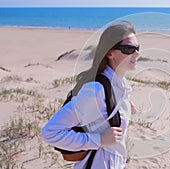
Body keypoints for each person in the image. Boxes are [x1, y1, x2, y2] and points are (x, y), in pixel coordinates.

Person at [42, 21, 139, 169]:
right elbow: (50, 132)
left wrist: (124, 106)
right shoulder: (95, 91)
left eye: (137, 48)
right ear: (110, 52)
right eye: (128, 48)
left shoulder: (122, 87)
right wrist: (98, 140)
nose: (136, 53)